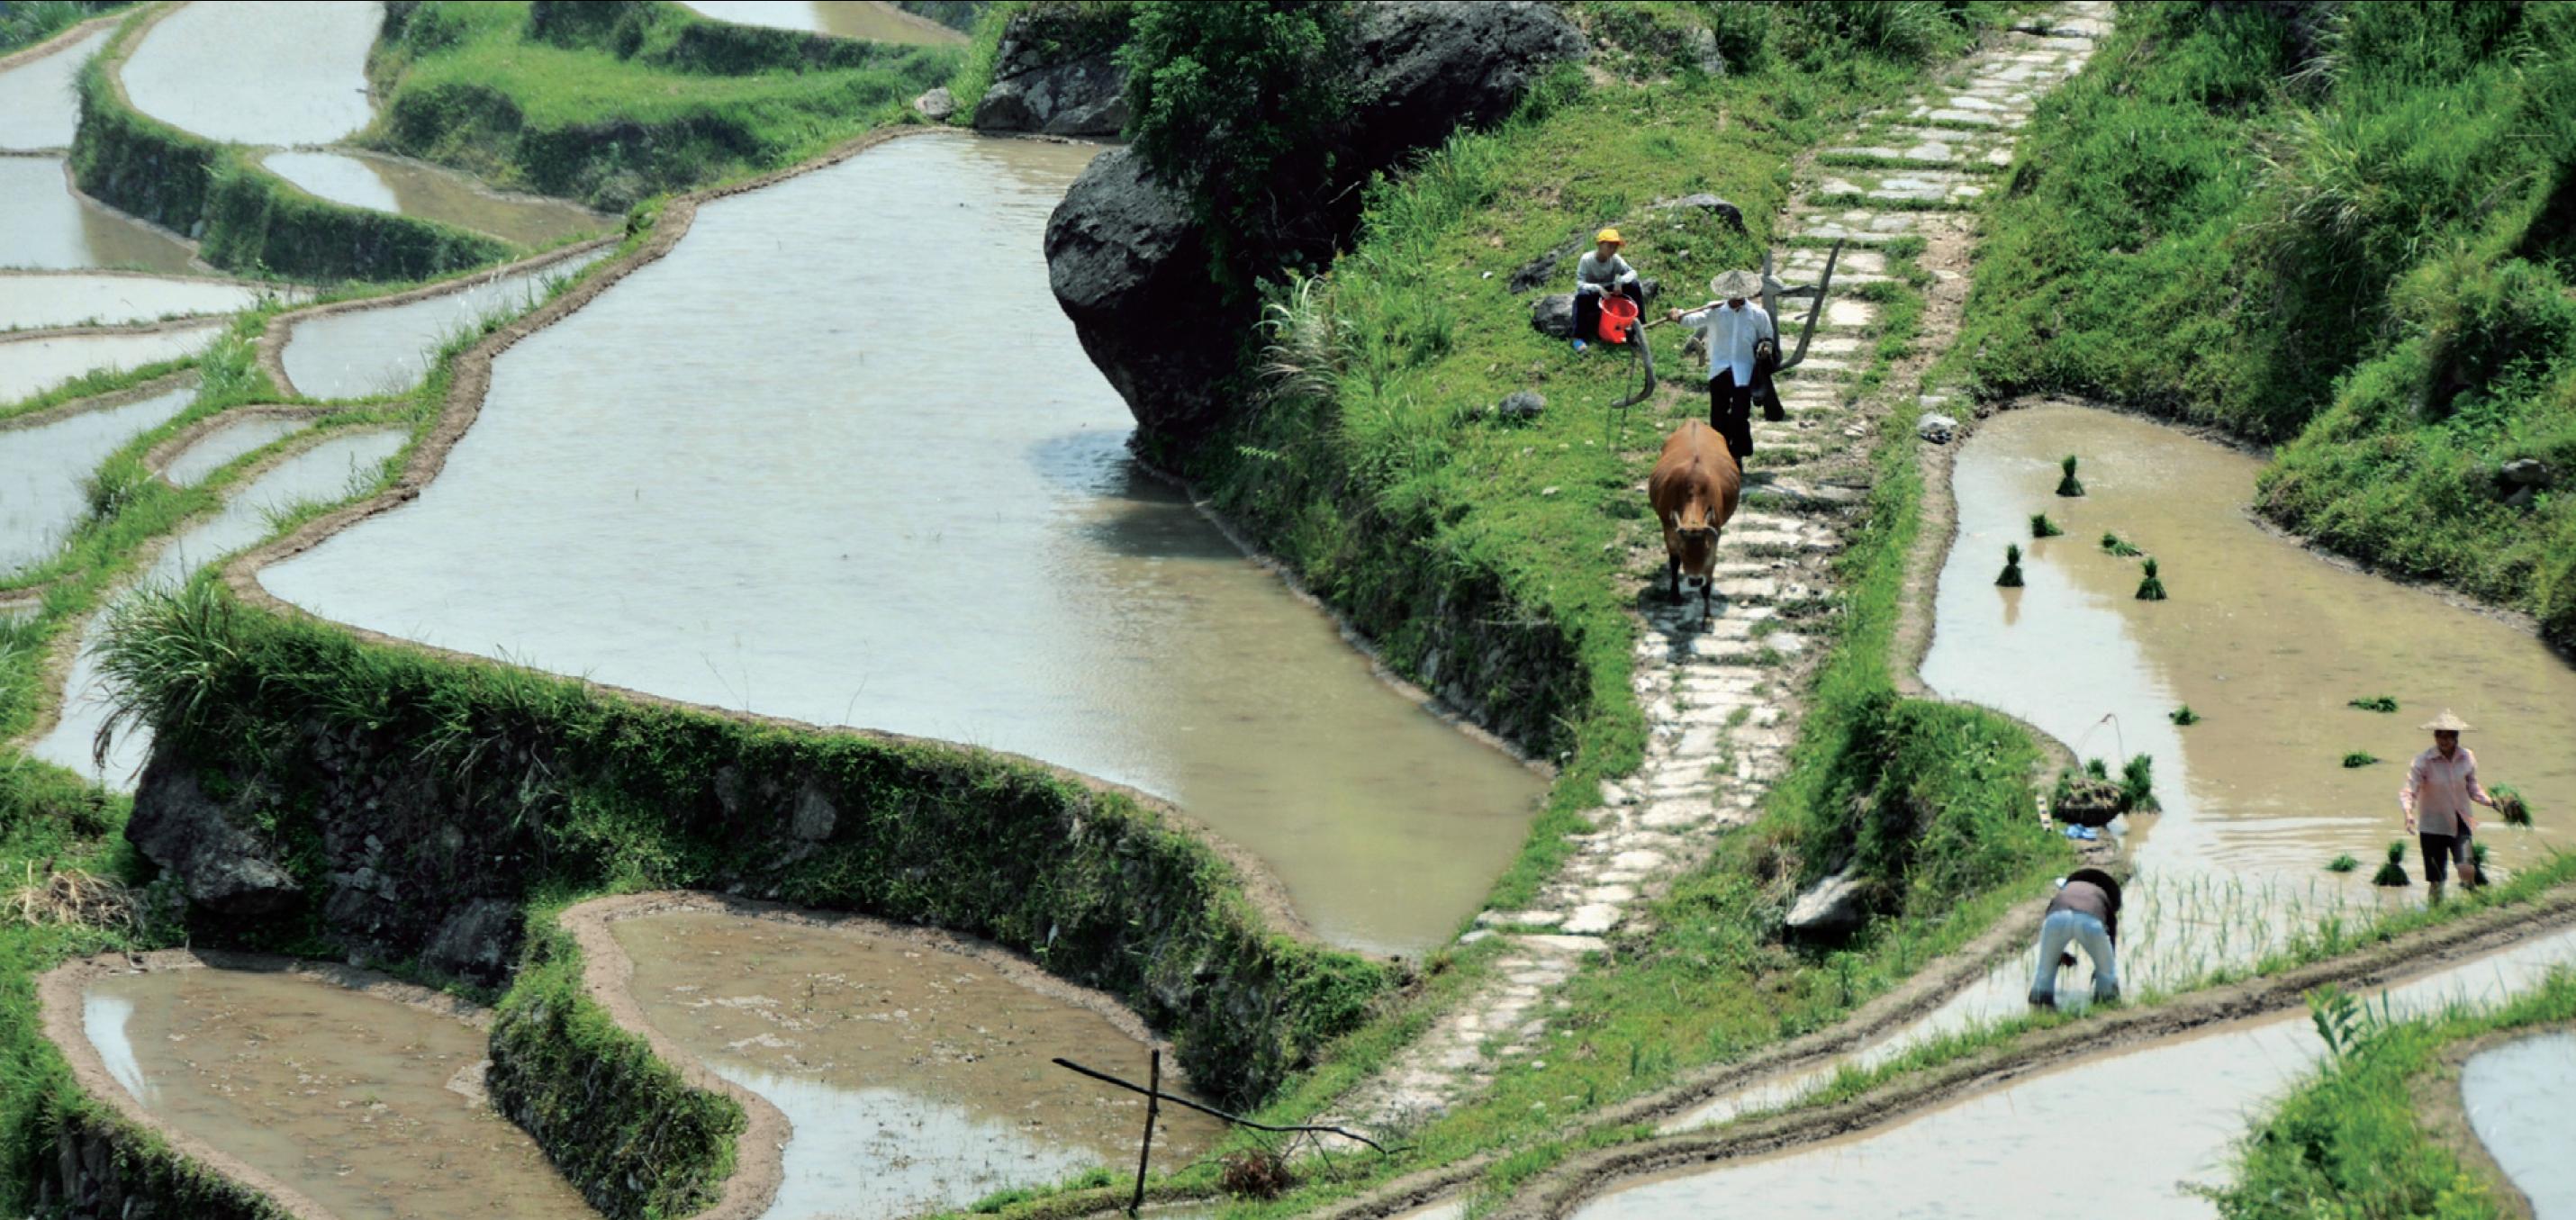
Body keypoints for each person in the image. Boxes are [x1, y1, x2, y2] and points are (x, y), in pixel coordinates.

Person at [1667, 270, 1775, 462]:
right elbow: (1692, 319)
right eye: (1731, 296)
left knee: (1740, 416)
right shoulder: (1714, 310)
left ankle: (1738, 454)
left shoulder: (1758, 314)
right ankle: (1719, 455)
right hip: (1719, 370)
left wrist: (1766, 346)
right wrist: (1678, 315)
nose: (1735, 299)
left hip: (1745, 371)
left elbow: (1767, 336)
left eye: (1738, 296)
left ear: (1746, 294)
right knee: (1718, 416)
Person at [2400, 709, 2499, 887]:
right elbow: (2410, 789)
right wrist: (2408, 813)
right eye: (2439, 735)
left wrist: (2492, 802)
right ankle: (2436, 911)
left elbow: (2473, 787)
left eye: (2448, 736)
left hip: (2461, 823)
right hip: (2432, 826)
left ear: (2456, 737)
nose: (2443, 740)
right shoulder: (2423, 761)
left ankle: (2472, 896)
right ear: (2435, 737)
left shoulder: (2467, 757)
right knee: (2436, 881)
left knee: (2467, 869)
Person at [2029, 867, 2120, 1008]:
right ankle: (2106, 1003)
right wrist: (2104, 962)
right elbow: (2111, 936)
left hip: (2056, 918)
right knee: (2107, 972)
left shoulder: (2065, 892)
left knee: (2045, 971)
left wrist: (2058, 955)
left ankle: (2040, 1006)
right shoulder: (2101, 895)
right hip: (2090, 921)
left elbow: (2051, 927)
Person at [1571, 228, 1644, 351]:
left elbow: (1632, 272)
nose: (1612, 250)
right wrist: (1597, 288)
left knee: (1634, 286)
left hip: (1611, 292)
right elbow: (1580, 284)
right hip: (1594, 293)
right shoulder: (1587, 260)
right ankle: (1579, 337)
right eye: (1609, 246)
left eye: (1615, 247)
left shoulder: (1615, 259)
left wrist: (1619, 281)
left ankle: (1640, 325)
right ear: (1600, 245)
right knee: (1581, 297)